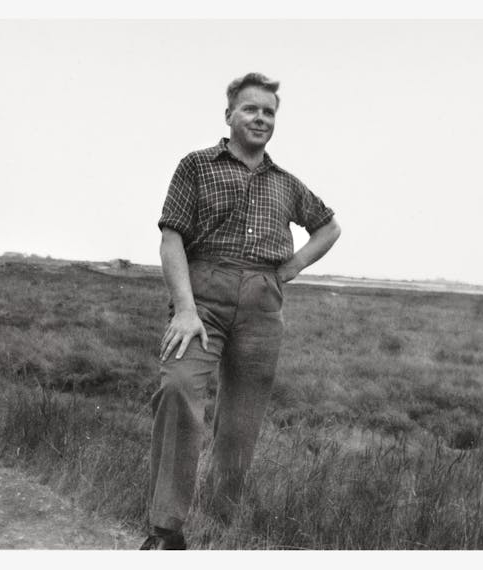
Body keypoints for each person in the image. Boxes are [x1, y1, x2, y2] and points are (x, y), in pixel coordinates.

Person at [140, 72, 341, 550]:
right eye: (251, 109)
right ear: (229, 114)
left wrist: (286, 271)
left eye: (269, 112)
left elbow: (329, 228)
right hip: (202, 300)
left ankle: (218, 524)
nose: (261, 118)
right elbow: (171, 239)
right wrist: (185, 310)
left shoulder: (286, 183)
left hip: (262, 307)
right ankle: (166, 530)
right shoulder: (196, 166)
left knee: (241, 421)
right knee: (179, 390)